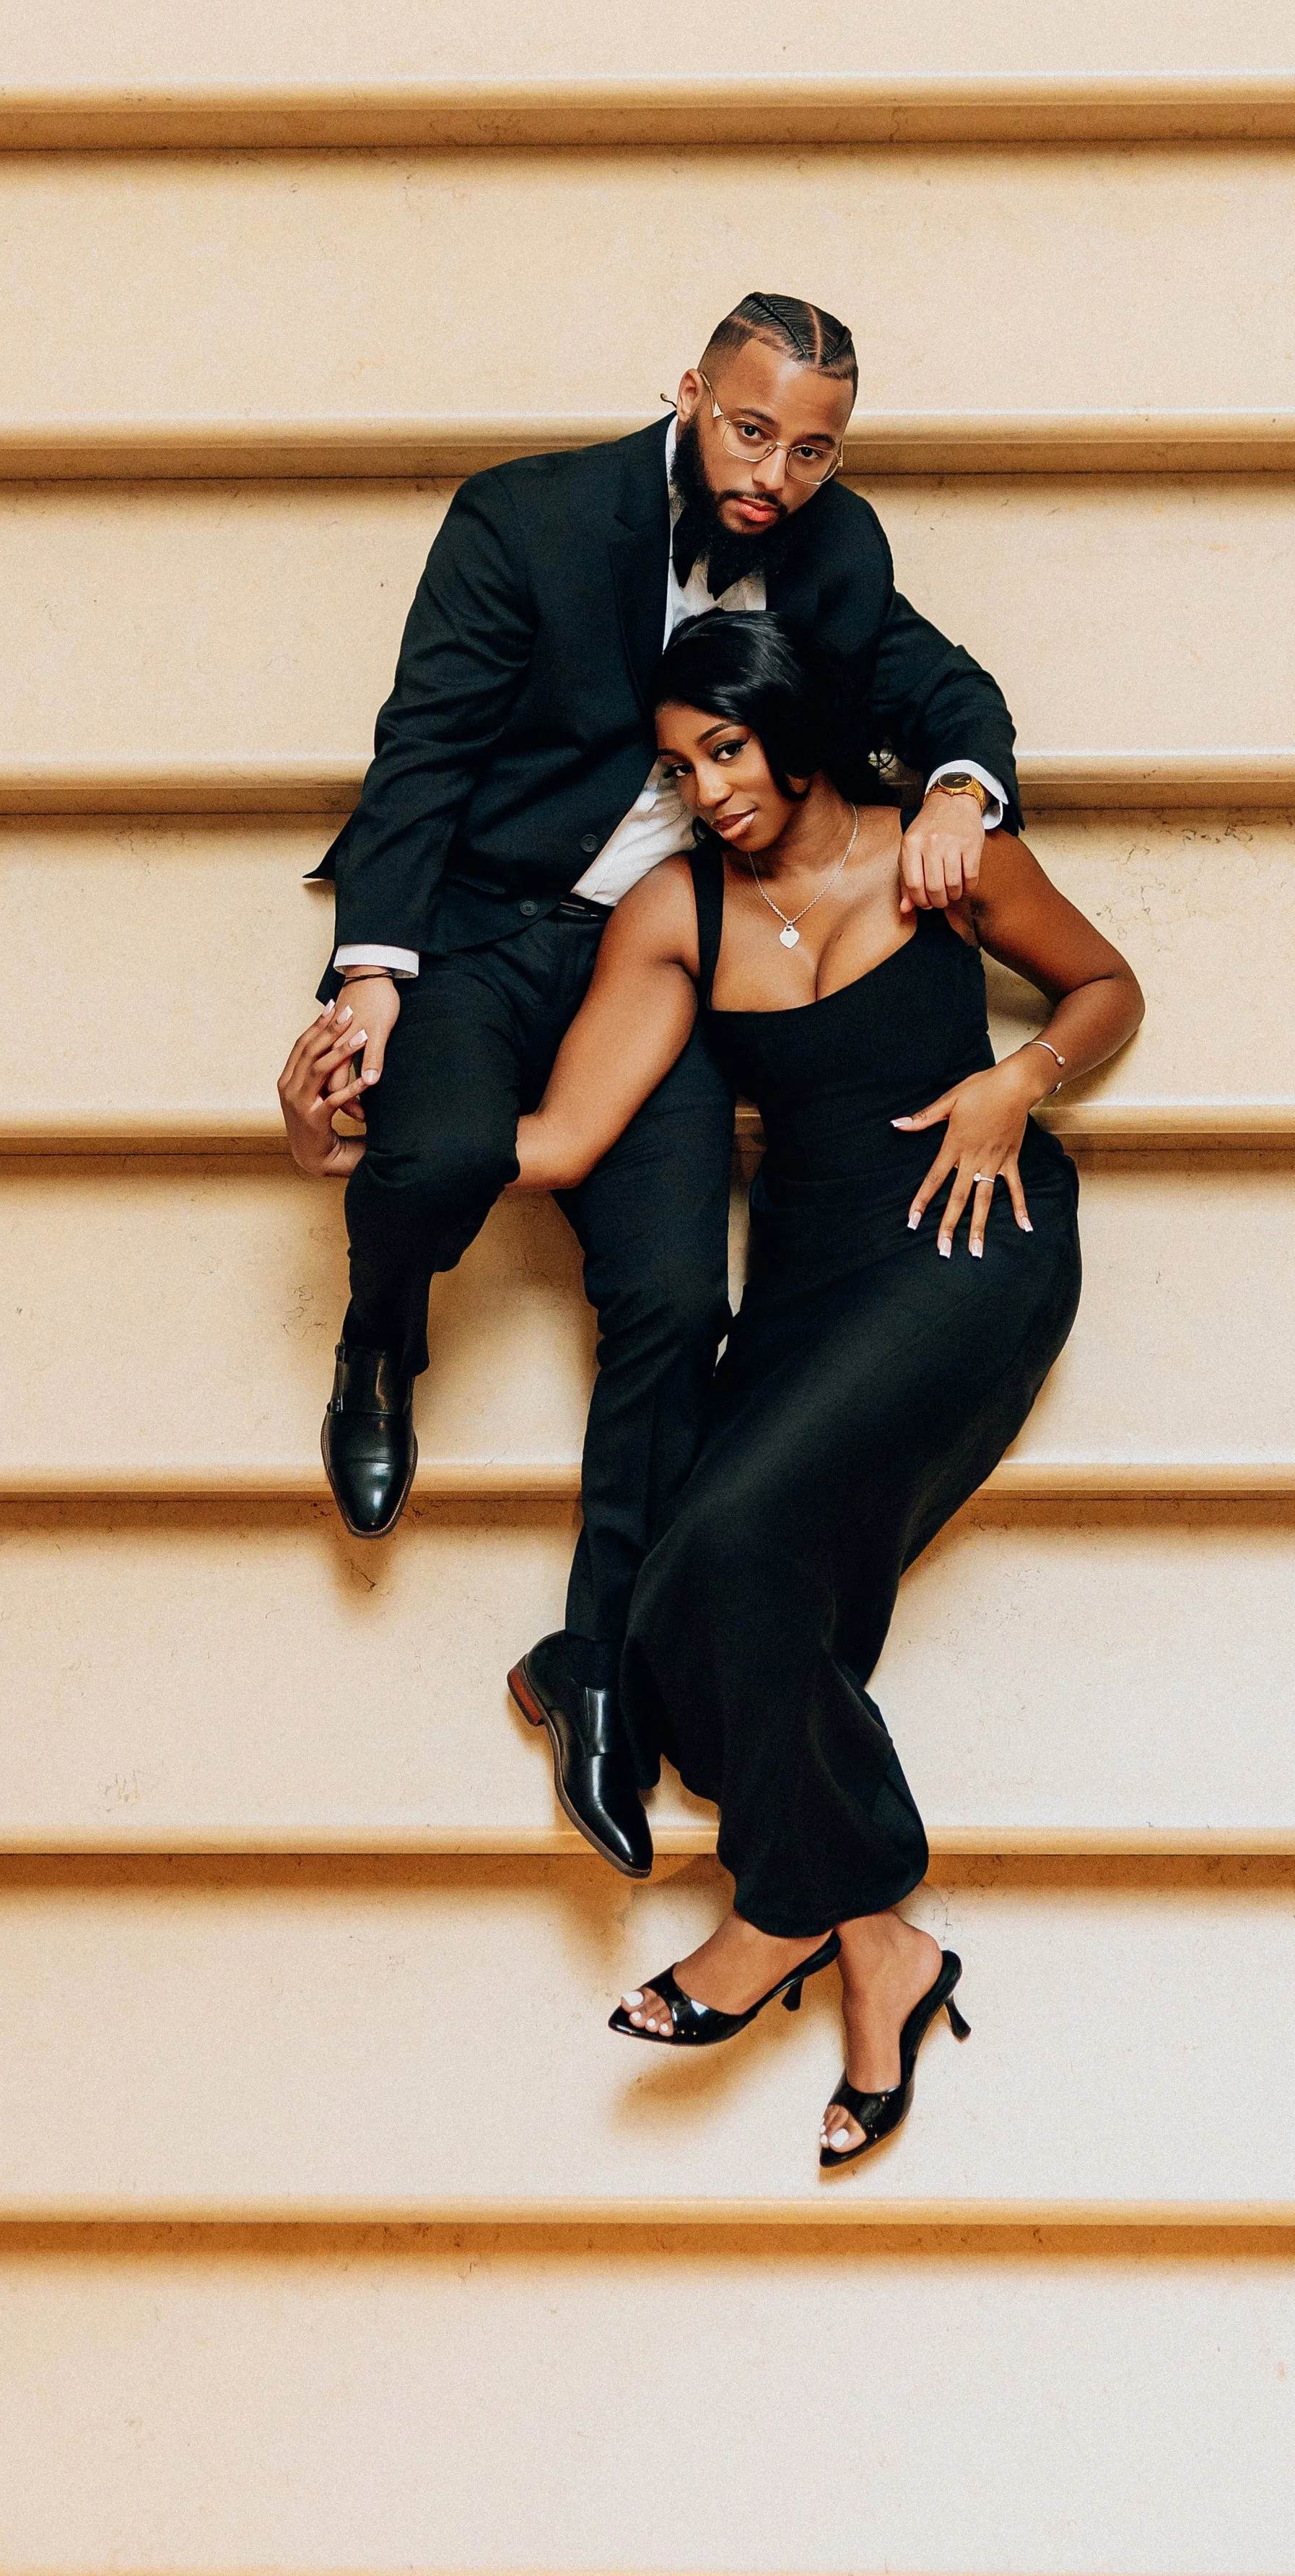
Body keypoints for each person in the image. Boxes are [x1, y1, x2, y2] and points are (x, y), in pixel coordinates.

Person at [279, 292, 1024, 1884]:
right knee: (436, 1161)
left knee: (679, 1306)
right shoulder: (530, 517)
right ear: (689, 391)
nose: (775, 472)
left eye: (813, 447)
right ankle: (374, 1337)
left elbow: (937, 688)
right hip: (485, 928)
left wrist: (960, 787)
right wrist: (370, 972)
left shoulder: (834, 550)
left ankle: (599, 1668)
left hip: (660, 958)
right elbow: (418, 754)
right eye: (752, 430)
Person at [508, 612, 1143, 2170]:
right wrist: (351, 1150)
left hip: (964, 1242)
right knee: (693, 1595)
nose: (706, 788)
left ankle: (784, 1908)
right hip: (800, 1285)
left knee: (720, 1561)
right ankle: (882, 1946)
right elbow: (561, 1141)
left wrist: (1016, 1081)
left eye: (724, 750)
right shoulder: (672, 913)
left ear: (789, 735)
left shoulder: (940, 854)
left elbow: (1105, 987)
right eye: (676, 765)